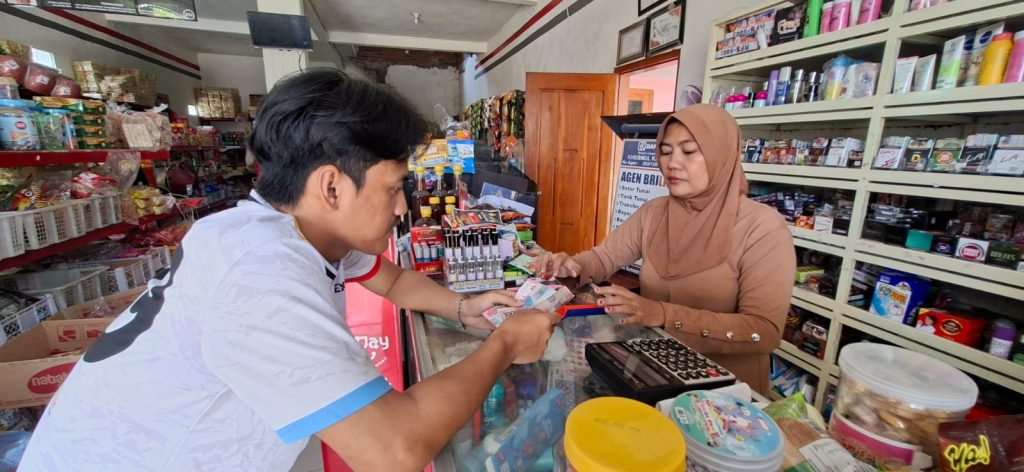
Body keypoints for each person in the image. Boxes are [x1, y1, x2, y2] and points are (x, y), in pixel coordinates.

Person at [19, 69, 558, 472]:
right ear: (331, 186)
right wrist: (506, 345)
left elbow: (389, 279)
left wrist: (464, 305)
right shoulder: (261, 273)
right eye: (394, 189)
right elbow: (394, 448)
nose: (401, 209)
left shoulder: (258, 227)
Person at [533, 104, 795, 394]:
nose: (672, 163)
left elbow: (764, 332)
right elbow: (604, 257)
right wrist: (573, 266)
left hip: (725, 397)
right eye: (666, 151)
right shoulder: (654, 213)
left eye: (689, 151)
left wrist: (662, 314)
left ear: (721, 153)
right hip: (654, 374)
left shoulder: (762, 227)